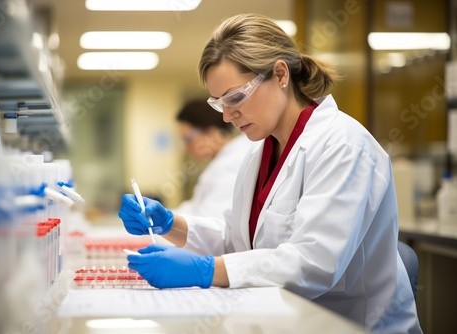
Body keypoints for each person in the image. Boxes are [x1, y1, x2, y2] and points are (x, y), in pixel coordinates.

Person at [119, 13, 422, 333]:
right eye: (219, 103)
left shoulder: (344, 146)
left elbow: (314, 263)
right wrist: (170, 223)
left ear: (280, 74)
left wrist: (207, 270)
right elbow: (240, 244)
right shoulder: (259, 152)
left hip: (351, 326)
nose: (227, 117)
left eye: (235, 97)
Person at [172, 99, 254, 218]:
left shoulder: (232, 163)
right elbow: (195, 208)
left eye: (188, 140)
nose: (186, 149)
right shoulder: (223, 160)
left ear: (211, 133)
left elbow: (211, 221)